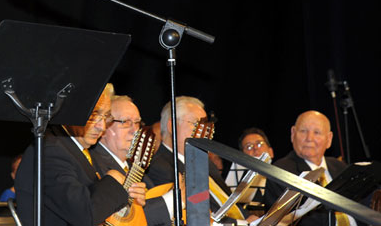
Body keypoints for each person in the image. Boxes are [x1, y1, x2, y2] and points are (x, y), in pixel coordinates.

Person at [14, 84, 147, 225]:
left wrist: (130, 198)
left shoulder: (80, 150)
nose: (101, 126)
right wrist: (114, 180)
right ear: (72, 111)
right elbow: (84, 213)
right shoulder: (50, 150)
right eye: (93, 116)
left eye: (105, 116)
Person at [147, 96, 246, 221]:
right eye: (196, 124)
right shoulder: (160, 167)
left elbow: (227, 201)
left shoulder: (207, 163)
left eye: (205, 126)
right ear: (172, 126)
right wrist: (240, 223)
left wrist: (249, 218)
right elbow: (196, 210)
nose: (204, 132)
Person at [89, 95, 173, 225]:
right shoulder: (92, 165)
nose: (135, 130)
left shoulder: (139, 170)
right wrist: (175, 199)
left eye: (137, 122)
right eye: (125, 122)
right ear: (105, 126)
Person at [263, 110, 355, 226]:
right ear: (293, 134)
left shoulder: (340, 167)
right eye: (303, 131)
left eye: (317, 132)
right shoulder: (281, 171)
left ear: (329, 139)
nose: (309, 138)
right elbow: (297, 219)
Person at [225, 127, 274, 204]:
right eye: (249, 146)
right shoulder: (238, 181)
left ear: (271, 152)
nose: (255, 148)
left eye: (259, 144)